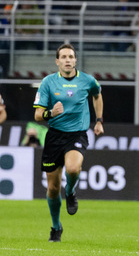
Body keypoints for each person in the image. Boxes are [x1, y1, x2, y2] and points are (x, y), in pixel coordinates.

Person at [33, 44, 104, 242]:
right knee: (52, 188)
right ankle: (56, 227)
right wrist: (50, 113)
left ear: (75, 60)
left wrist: (99, 120)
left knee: (73, 169)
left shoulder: (88, 81)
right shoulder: (48, 83)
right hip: (55, 136)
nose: (67, 60)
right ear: (57, 61)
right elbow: (38, 115)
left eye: (71, 56)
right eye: (63, 57)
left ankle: (71, 191)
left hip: (77, 134)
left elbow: (97, 95)